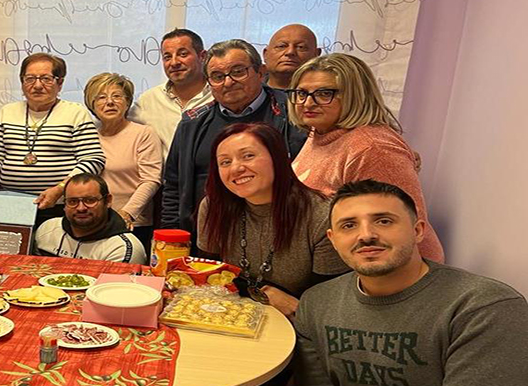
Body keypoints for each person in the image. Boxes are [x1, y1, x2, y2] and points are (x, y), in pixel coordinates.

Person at [294, 180, 528, 386]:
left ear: (418, 230)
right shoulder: (317, 303)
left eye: (384, 221)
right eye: (349, 225)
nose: (366, 235)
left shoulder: (485, 305)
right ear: (334, 240)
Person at [288, 53, 444, 262]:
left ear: (355, 95)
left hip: (387, 277)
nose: (308, 102)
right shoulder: (321, 131)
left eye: (324, 93)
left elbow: (405, 230)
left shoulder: (373, 148)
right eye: (301, 93)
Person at [197, 123, 348, 317]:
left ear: (278, 159)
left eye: (248, 156)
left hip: (299, 323)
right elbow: (210, 278)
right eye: (225, 162)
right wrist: (260, 292)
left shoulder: (321, 214)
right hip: (229, 315)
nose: (236, 168)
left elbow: (328, 301)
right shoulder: (213, 207)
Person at [161, 39, 306, 235]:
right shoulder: (192, 123)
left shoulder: (294, 112)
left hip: (279, 232)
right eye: (217, 76)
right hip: (208, 235)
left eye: (238, 72)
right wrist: (173, 237)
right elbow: (173, 186)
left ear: (261, 72)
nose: (228, 82)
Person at [0, 53, 105, 226]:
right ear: (22, 82)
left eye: (46, 79)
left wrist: (61, 189)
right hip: (11, 204)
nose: (37, 85)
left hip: (59, 205)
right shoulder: (7, 111)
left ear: (59, 82)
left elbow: (93, 160)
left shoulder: (75, 113)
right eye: (30, 78)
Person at [83, 72, 162, 253]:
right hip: (92, 222)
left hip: (132, 223)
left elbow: (151, 180)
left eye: (117, 96)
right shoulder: (87, 134)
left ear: (127, 102)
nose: (109, 102)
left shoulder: (143, 134)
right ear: (92, 105)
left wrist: (127, 213)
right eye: (101, 98)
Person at [130, 28, 213, 159]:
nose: (174, 63)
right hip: (164, 179)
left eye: (183, 54)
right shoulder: (149, 100)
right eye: (167, 57)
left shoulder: (218, 96)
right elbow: (115, 126)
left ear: (202, 56)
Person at [35, 174, 146, 264]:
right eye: (73, 202)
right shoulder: (47, 229)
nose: (81, 208)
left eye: (90, 200)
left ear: (107, 201)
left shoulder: (122, 248)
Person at [263, 24, 321, 89]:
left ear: (316, 54)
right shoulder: (252, 92)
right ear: (265, 54)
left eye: (300, 47)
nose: (290, 52)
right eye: (281, 46)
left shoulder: (328, 95)